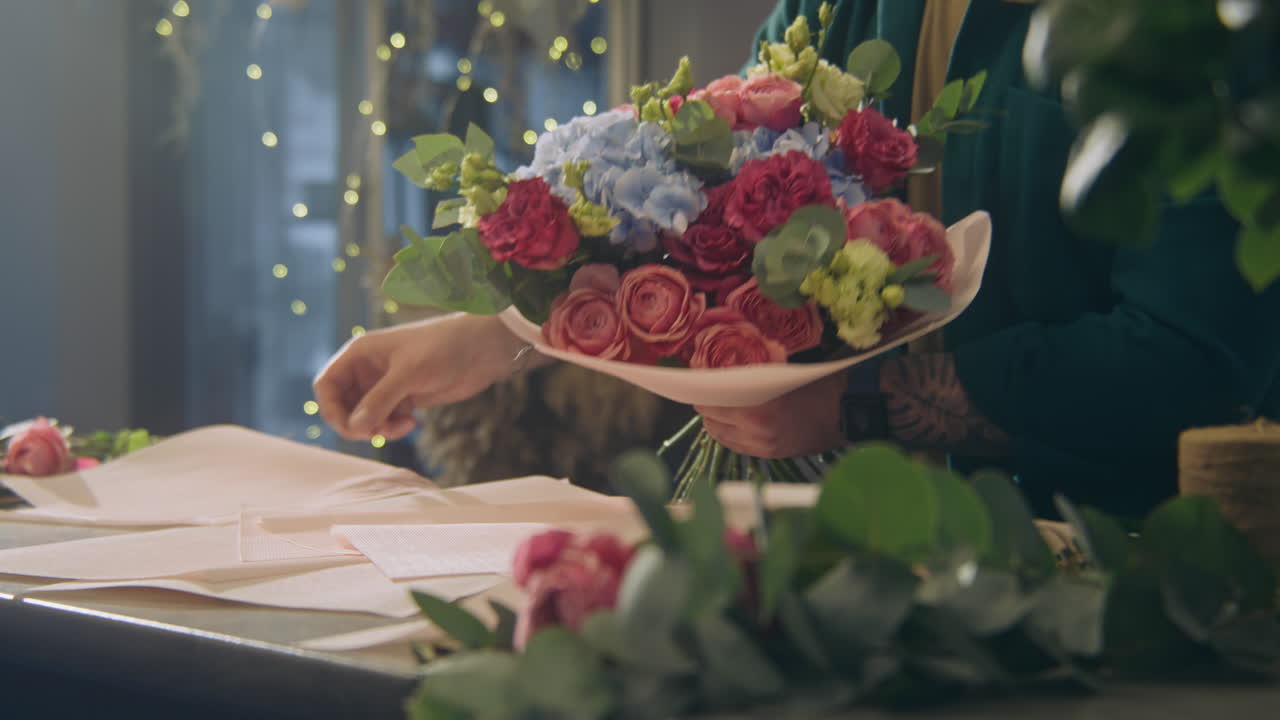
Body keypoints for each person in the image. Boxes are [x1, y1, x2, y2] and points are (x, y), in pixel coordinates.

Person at [314, 0, 1280, 518]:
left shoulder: (1189, 28)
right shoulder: (836, 7)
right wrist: (506, 326)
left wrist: (847, 404)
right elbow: (699, 219)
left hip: (1119, 575)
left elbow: (1187, 366)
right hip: (839, 549)